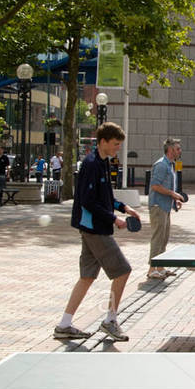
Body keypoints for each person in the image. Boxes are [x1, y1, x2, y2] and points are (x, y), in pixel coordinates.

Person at [54, 123, 141, 342]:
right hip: (95, 230)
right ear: (103, 141)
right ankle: (110, 321)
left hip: (92, 228)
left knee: (87, 277)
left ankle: (64, 324)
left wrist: (124, 207)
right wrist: (115, 219)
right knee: (123, 271)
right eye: (115, 144)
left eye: (119, 145)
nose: (117, 149)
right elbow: (88, 201)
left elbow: (105, 197)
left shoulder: (103, 162)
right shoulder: (91, 165)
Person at [147, 138, 184, 279]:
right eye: (177, 149)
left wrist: (174, 199)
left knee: (164, 238)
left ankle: (160, 267)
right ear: (170, 150)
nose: (180, 151)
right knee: (158, 237)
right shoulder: (161, 165)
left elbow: (166, 187)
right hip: (158, 206)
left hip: (166, 206)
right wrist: (173, 194)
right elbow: (155, 186)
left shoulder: (170, 165)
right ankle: (152, 269)